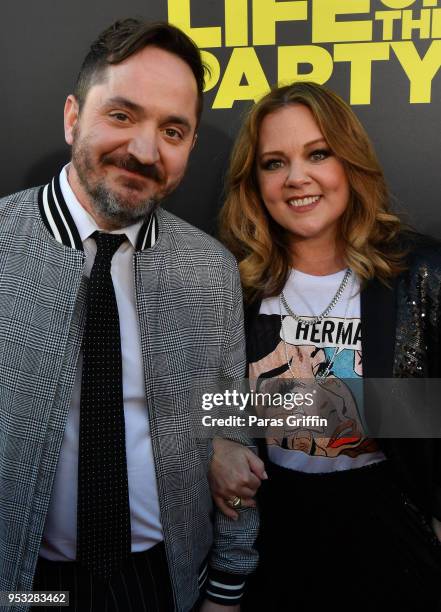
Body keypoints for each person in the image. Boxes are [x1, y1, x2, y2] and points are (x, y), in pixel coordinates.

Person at [0, 18, 259, 612]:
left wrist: (225, 588)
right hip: (27, 588)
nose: (144, 151)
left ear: (191, 146)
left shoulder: (210, 271)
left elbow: (232, 433)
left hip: (161, 585)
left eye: (173, 130)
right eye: (121, 115)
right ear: (73, 117)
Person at [212, 81, 441, 610]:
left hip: (393, 538)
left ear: (350, 164)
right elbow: (205, 402)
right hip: (273, 539)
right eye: (274, 162)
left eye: (318, 153)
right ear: (256, 182)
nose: (297, 178)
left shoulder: (417, 276)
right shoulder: (234, 284)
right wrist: (218, 447)